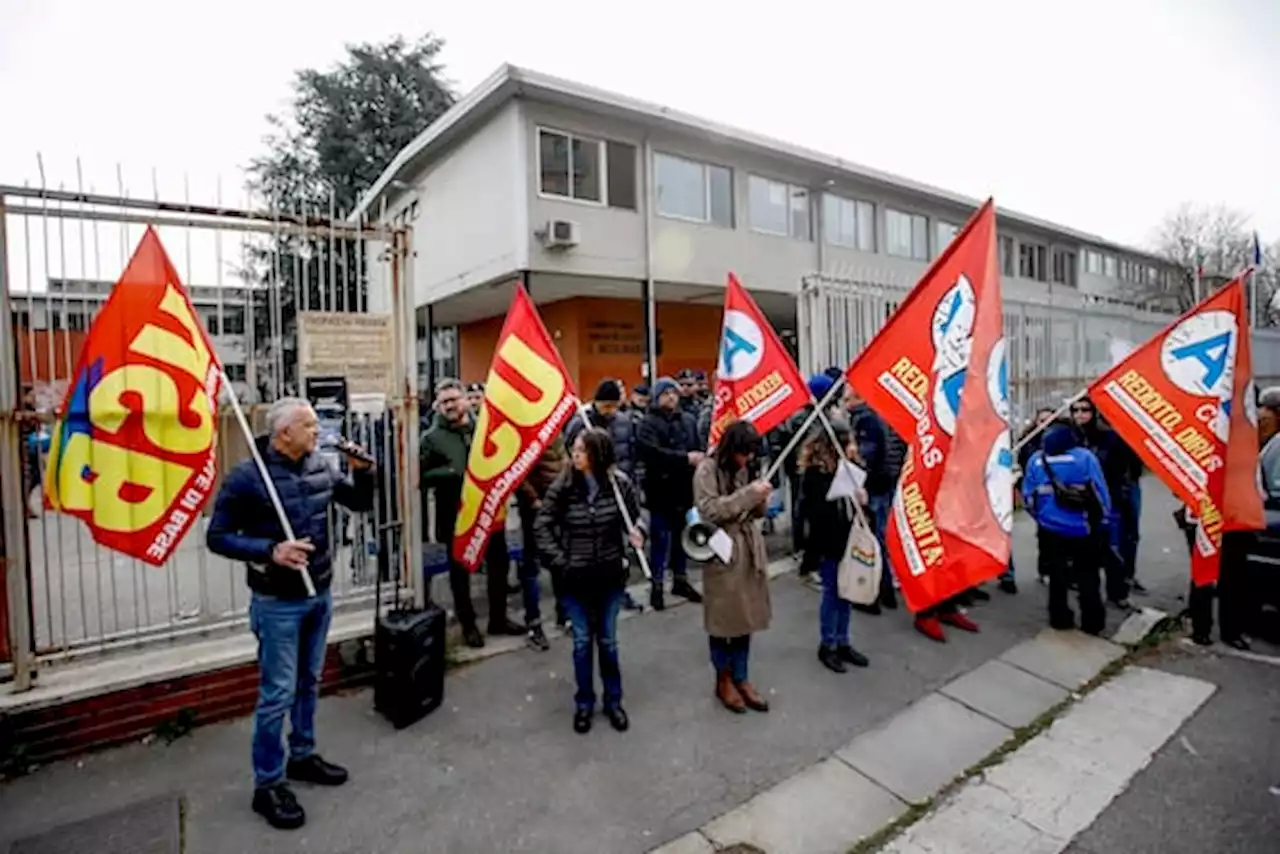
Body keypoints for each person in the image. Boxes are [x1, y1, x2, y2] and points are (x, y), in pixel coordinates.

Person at [207, 397, 375, 831]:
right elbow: (218, 536)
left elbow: (358, 504)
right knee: (277, 692)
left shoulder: (320, 465)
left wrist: (366, 474)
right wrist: (269, 550)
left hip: (319, 591)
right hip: (276, 601)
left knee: (308, 682)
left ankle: (302, 755)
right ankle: (268, 784)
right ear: (284, 434)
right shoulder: (248, 477)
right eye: (309, 425)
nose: (317, 432)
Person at [536, 428, 645, 735]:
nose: (575, 454)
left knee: (608, 643)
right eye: (575, 449)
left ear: (598, 454)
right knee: (582, 644)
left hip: (609, 577)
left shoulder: (619, 485)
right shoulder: (564, 485)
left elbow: (637, 518)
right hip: (575, 580)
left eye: (582, 450)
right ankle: (584, 703)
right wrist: (560, 562)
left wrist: (639, 532)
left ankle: (614, 702)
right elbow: (542, 526)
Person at [420, 378, 524, 649]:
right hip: (456, 515)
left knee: (498, 565)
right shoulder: (431, 438)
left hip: (491, 511)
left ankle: (498, 618)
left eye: (454, 399)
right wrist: (453, 474)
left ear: (466, 399)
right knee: (460, 573)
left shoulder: (485, 428)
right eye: (444, 402)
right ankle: (468, 625)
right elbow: (421, 475)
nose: (450, 406)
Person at [694, 420, 774, 714]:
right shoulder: (707, 469)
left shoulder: (747, 467)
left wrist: (762, 498)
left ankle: (742, 677)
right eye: (744, 454)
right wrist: (750, 495)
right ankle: (723, 678)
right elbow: (710, 509)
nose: (748, 460)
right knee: (722, 620)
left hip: (749, 549)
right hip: (722, 550)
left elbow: (754, 510)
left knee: (746, 618)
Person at [1022, 423, 1112, 635]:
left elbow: (1028, 498)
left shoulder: (1036, 460)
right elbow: (1100, 493)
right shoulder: (1084, 458)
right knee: (1088, 576)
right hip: (1083, 527)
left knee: (1057, 577)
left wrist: (1041, 518)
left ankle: (1059, 618)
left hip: (1050, 529)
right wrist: (1104, 519)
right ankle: (1093, 623)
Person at [564, 379, 645, 614]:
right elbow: (571, 456)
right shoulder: (581, 422)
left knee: (619, 545)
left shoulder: (624, 421)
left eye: (614, 406)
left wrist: (630, 481)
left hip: (619, 489)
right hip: (590, 491)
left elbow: (630, 452)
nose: (610, 411)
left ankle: (621, 590)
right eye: (606, 406)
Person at [799, 423, 871, 673]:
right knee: (833, 593)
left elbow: (861, 508)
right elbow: (814, 512)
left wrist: (862, 498)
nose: (852, 447)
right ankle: (827, 644)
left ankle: (843, 641)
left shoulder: (851, 469)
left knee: (848, 592)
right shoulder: (815, 473)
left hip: (849, 538)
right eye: (846, 443)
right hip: (829, 542)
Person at [637, 376, 706, 610]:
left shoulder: (687, 420)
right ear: (657, 397)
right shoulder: (648, 423)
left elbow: (696, 447)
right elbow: (652, 454)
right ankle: (656, 585)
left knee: (681, 537)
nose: (671, 397)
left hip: (684, 489)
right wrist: (685, 459)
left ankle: (680, 579)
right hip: (660, 489)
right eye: (666, 394)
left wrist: (697, 460)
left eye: (674, 393)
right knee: (660, 539)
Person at [843, 382, 898, 613]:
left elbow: (868, 455)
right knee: (878, 538)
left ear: (856, 399)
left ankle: (875, 593)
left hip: (873, 487)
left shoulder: (864, 419)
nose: (844, 403)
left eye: (847, 398)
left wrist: (853, 455)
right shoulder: (872, 416)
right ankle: (884, 591)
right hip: (881, 482)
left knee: (873, 540)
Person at [514, 435, 569, 650]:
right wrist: (533, 500)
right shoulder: (524, 431)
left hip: (557, 502)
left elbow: (564, 461)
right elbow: (517, 471)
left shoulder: (555, 432)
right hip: (536, 507)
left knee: (559, 559)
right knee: (532, 566)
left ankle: (563, 613)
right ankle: (534, 622)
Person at [1017, 408, 1058, 586]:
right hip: (1040, 495)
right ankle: (1045, 569)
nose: (1046, 424)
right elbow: (1025, 468)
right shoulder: (1029, 443)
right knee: (1046, 533)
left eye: (1050, 420)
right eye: (1042, 421)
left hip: (1059, 493)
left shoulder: (1062, 441)